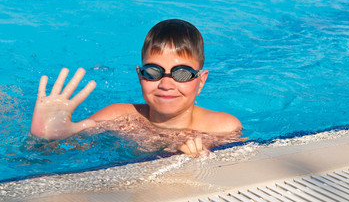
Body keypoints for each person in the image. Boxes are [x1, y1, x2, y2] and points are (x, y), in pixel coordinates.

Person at [30, 19, 243, 157]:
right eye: (153, 72)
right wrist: (45, 139)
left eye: (182, 73)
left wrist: (204, 160)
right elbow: (62, 154)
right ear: (140, 75)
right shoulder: (118, 118)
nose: (166, 84)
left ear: (201, 81)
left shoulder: (222, 129)